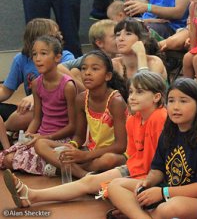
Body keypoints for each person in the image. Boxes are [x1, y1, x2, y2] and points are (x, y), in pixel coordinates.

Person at [2, 71, 167, 208]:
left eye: (140, 92)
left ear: (156, 97)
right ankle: (31, 195)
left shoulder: (159, 118)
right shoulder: (134, 118)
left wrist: (129, 180)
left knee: (107, 188)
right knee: (90, 180)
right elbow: (133, 156)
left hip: (152, 177)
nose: (132, 97)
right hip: (134, 169)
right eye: (131, 92)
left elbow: (157, 165)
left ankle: (112, 193)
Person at [107, 78, 197, 219]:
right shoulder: (169, 132)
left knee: (170, 207)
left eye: (183, 101)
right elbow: (158, 169)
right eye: (171, 101)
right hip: (167, 190)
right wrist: (148, 182)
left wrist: (163, 192)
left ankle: (137, 213)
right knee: (115, 185)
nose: (175, 107)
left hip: (196, 199)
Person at [34, 50, 128, 178]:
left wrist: (85, 156)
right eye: (83, 69)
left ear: (108, 76)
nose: (87, 73)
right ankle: (83, 174)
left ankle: (65, 170)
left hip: (114, 153)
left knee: (108, 160)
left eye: (95, 69)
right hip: (91, 151)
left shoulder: (115, 101)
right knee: (41, 144)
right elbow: (79, 136)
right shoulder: (81, 99)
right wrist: (72, 146)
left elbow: (121, 146)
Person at [0, 35, 77, 175]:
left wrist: (45, 138)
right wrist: (28, 135)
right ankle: (52, 167)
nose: (37, 58)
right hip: (41, 135)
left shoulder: (68, 86)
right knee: (7, 159)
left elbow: (72, 126)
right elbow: (37, 118)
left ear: (57, 57)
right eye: (34, 54)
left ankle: (56, 166)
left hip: (58, 138)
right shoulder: (36, 84)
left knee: (18, 160)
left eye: (43, 53)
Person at [0, 19, 74, 145]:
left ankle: (6, 131)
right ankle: (6, 132)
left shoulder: (64, 56)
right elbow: (6, 91)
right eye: (55, 35)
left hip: (55, 113)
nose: (60, 37)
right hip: (31, 109)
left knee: (27, 115)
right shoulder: (21, 59)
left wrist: (33, 97)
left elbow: (67, 80)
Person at [59, 19, 119, 92]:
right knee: (75, 71)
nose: (120, 39)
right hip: (97, 96)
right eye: (115, 36)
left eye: (119, 35)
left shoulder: (124, 56)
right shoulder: (90, 57)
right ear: (99, 43)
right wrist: (83, 89)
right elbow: (60, 67)